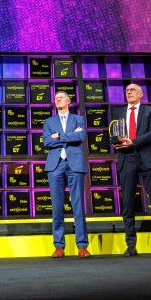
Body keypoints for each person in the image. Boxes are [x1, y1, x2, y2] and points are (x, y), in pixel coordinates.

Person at [111, 83, 151, 256]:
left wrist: (134, 142)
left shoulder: (150, 111)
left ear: (141, 94)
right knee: (128, 203)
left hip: (146, 158)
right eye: (127, 91)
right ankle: (131, 245)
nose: (129, 92)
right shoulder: (119, 112)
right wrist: (117, 142)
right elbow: (114, 134)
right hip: (127, 158)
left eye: (132, 90)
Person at [43, 91, 91, 258]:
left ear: (69, 101)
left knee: (78, 206)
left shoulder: (78, 119)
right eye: (56, 98)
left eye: (61, 97)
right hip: (55, 165)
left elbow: (81, 136)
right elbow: (47, 141)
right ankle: (59, 245)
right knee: (57, 207)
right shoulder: (49, 121)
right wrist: (70, 136)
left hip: (74, 163)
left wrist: (59, 136)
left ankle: (82, 245)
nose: (57, 99)